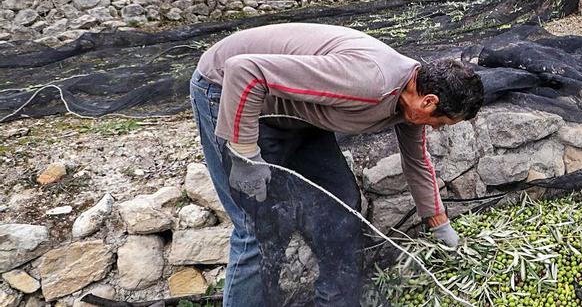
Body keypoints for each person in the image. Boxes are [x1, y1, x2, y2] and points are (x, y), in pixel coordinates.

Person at [189, 22, 484, 306]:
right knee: (259, 225)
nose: (436, 129)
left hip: (296, 115)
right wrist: (244, 154)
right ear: (429, 102)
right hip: (229, 90)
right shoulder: (370, 82)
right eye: (441, 122)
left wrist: (439, 224)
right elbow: (246, 71)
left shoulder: (412, 101)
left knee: (341, 202)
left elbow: (417, 161)